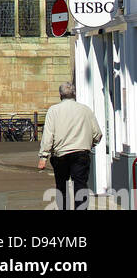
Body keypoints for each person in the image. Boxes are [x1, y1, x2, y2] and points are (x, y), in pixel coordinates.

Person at [37, 82, 102, 210]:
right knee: (80, 187)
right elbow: (97, 134)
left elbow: (48, 135)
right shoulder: (85, 110)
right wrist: (89, 142)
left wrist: (43, 157)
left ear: (60, 95)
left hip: (61, 155)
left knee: (62, 188)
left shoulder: (53, 111)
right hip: (81, 154)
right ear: (74, 94)